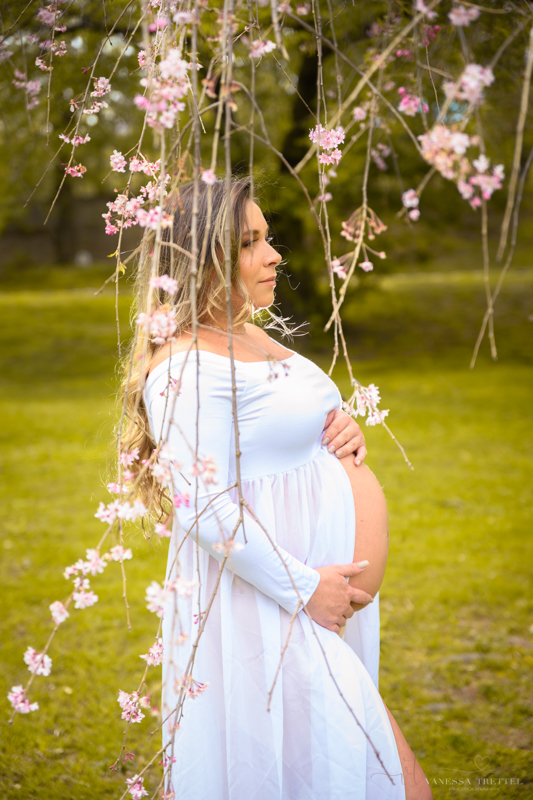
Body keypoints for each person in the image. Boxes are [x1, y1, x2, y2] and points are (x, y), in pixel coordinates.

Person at [122, 177, 432, 799]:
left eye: (268, 239)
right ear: (200, 262)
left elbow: (287, 426)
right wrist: (305, 588)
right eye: (249, 243)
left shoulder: (250, 336)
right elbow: (200, 505)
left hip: (312, 603)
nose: (274, 257)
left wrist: (339, 428)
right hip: (272, 605)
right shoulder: (182, 370)